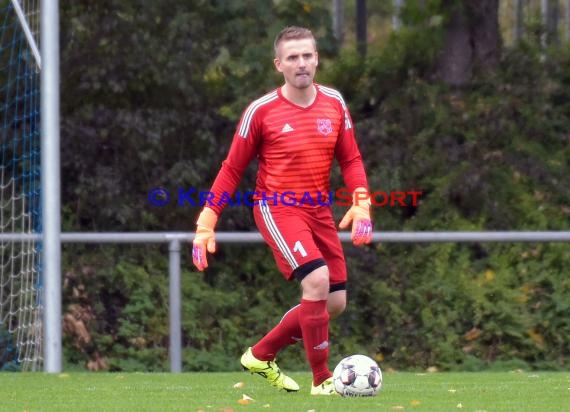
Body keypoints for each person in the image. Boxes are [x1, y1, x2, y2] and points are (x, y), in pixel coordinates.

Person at [191, 26, 372, 395]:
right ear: (279, 64)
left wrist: (362, 202)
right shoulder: (261, 111)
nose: (301, 63)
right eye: (292, 57)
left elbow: (350, 157)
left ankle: (261, 354)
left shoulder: (334, 103)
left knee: (334, 302)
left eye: (307, 55)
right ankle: (322, 381)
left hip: (318, 209)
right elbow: (231, 168)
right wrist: (207, 222)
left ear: (317, 58)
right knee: (317, 280)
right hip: (277, 208)